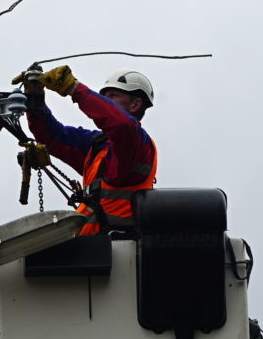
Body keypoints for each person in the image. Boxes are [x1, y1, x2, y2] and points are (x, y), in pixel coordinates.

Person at [13, 66, 157, 235]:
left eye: (113, 96)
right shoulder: (97, 145)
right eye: (103, 97)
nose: (106, 101)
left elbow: (122, 125)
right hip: (91, 249)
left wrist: (73, 88)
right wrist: (35, 99)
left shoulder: (139, 146)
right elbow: (51, 135)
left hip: (117, 250)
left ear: (135, 104)